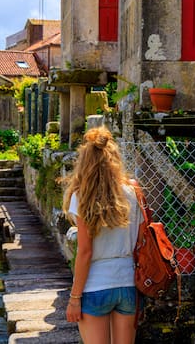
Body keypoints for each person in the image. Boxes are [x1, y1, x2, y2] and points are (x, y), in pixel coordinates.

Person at [63, 126, 142, 343]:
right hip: (127, 283)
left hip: (95, 285)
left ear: (85, 163)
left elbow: (85, 252)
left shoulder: (82, 196)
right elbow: (139, 240)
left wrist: (74, 298)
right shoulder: (132, 192)